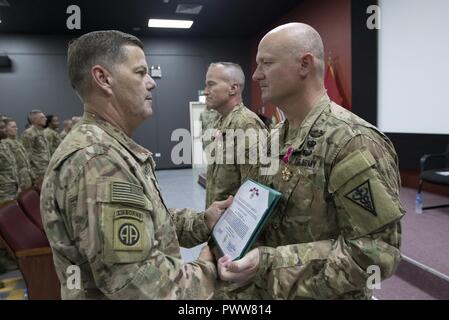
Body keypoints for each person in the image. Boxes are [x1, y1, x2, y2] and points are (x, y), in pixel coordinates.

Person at [216, 23, 404, 299]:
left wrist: (269, 264)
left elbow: (377, 251)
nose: (256, 75)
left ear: (304, 65)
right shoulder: (274, 137)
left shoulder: (352, 142)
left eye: (266, 63)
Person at [40, 30, 232, 300]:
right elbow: (140, 286)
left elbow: (149, 222)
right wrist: (209, 267)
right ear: (104, 79)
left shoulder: (108, 149)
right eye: (141, 73)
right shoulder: (99, 161)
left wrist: (203, 221)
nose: (152, 83)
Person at [204, 62, 267, 208]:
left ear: (233, 88)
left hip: (234, 224)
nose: (206, 91)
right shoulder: (220, 121)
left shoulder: (246, 125)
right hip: (218, 222)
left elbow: (254, 190)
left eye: (211, 85)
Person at [20, 109, 51, 186]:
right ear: (34, 120)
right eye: (42, 117)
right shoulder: (29, 133)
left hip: (46, 169)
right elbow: (26, 155)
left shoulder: (43, 132)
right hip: (38, 173)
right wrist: (32, 175)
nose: (45, 119)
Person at [3, 118, 33, 191]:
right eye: (13, 127)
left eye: (16, 127)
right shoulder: (5, 143)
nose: (16, 129)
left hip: (26, 177)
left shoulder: (17, 141)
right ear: (5, 129)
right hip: (17, 180)